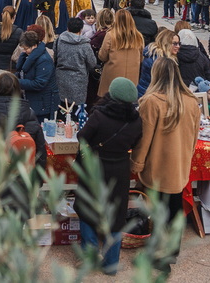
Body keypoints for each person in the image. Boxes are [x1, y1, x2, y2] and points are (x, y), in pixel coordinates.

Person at [130, 58, 199, 273]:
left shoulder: (152, 101)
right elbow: (195, 137)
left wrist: (137, 164)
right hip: (179, 166)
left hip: (157, 167)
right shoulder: (190, 101)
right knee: (174, 210)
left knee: (157, 213)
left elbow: (144, 139)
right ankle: (170, 252)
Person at [76, 77, 143, 276]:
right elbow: (134, 143)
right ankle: (111, 263)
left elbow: (82, 137)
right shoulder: (136, 121)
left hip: (96, 167)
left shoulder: (99, 115)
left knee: (86, 208)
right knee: (116, 215)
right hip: (120, 169)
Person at [0, 71, 46, 169]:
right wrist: (36, 180)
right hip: (22, 174)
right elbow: (40, 150)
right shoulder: (30, 113)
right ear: (18, 90)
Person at [97, 9, 144, 96]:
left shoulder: (110, 35)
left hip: (112, 74)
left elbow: (102, 56)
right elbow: (141, 58)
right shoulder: (138, 36)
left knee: (110, 99)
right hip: (132, 76)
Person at [55, 17, 97, 112]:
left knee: (62, 107)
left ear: (68, 28)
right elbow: (92, 63)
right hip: (79, 79)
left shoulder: (59, 40)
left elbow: (55, 57)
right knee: (77, 109)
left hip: (61, 77)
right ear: (81, 29)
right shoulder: (85, 45)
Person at [16, 30, 58, 121]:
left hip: (42, 104)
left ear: (34, 46)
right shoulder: (30, 56)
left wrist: (16, 82)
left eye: (26, 48)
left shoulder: (44, 60)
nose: (24, 51)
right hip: (33, 100)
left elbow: (39, 83)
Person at [138, 29, 180, 98]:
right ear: (166, 43)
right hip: (149, 96)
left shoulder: (154, 56)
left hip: (146, 93)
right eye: (175, 43)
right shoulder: (160, 61)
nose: (178, 46)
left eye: (179, 43)